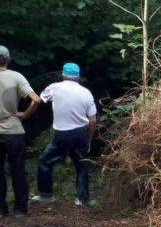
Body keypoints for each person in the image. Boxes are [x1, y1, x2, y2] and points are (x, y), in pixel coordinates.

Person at [31, 62, 98, 207]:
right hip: (80, 134)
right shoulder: (86, 92)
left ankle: (46, 195)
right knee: (82, 165)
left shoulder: (54, 87)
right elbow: (93, 121)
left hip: (62, 135)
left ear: (63, 74)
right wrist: (89, 139)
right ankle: (81, 200)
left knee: (45, 161)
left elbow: (38, 100)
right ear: (78, 76)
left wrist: (25, 114)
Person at [0, 45, 41, 217]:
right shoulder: (17, 76)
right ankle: (20, 209)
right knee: (18, 170)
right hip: (14, 131)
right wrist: (24, 114)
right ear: (8, 59)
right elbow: (36, 100)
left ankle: (1, 209)